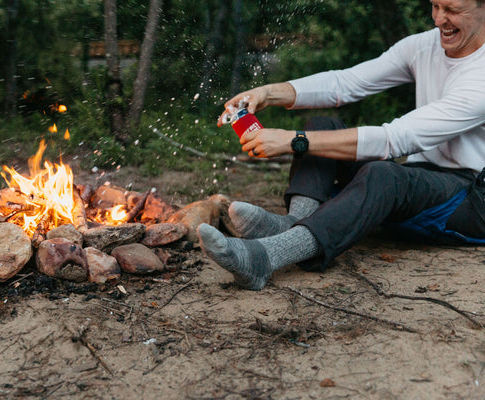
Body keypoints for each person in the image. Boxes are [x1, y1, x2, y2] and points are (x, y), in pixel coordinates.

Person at [196, 0, 485, 290]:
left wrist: (294, 140)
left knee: (382, 175)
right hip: (424, 175)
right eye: (435, 6)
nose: (438, 19)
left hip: (469, 197)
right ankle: (294, 224)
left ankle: (264, 259)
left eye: (453, 10)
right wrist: (268, 93)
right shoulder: (425, 46)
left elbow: (394, 139)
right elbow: (346, 83)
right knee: (324, 126)